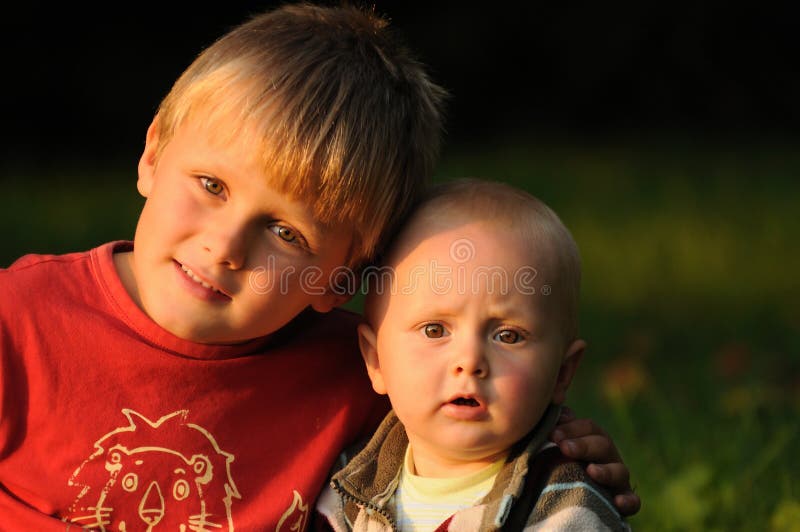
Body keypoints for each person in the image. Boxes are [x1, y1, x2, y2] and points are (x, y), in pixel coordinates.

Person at [0, 4, 637, 529]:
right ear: (152, 153)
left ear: (341, 279)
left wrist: (563, 465)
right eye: (211, 185)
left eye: (286, 232)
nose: (226, 246)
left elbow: (473, 446)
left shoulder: (364, 376)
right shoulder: (19, 322)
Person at [316, 179, 629, 531]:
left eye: (508, 336)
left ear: (562, 373)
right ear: (376, 361)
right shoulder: (345, 485)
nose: (470, 361)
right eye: (435, 330)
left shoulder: (564, 502)